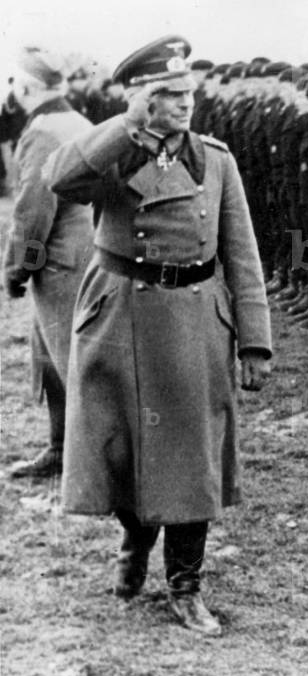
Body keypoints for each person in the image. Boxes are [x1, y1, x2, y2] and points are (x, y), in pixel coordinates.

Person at [47, 35, 272, 636]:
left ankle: (186, 584)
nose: (183, 104)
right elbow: (60, 178)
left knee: (191, 456)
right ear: (141, 99)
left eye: (187, 93)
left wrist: (254, 341)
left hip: (194, 318)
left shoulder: (215, 159)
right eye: (168, 95)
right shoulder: (114, 153)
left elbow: (242, 255)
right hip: (120, 313)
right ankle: (133, 544)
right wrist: (124, 125)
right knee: (122, 445)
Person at [2, 46, 94, 480]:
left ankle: (76, 456)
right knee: (59, 357)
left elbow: (34, 212)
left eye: (15, 84)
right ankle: (63, 449)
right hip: (88, 256)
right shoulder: (77, 120)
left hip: (61, 263)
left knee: (64, 359)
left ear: (28, 86)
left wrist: (18, 270)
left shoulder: (42, 131)